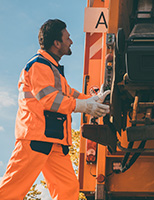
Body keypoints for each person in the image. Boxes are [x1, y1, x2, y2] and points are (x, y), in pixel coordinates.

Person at [0, 19, 110, 199]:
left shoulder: (53, 70)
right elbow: (49, 99)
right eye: (67, 38)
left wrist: (94, 99)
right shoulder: (38, 65)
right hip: (34, 140)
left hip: (53, 142)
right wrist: (84, 106)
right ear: (56, 43)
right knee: (10, 192)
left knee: (68, 191)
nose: (71, 41)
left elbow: (71, 95)